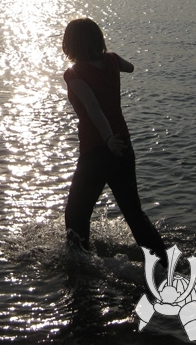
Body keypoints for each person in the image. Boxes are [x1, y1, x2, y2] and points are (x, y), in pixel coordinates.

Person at [61, 18, 167, 263]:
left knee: (76, 214)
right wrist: (113, 61)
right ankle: (163, 263)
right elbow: (131, 67)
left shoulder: (74, 74)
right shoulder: (112, 60)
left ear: (71, 44)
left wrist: (107, 138)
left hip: (97, 149)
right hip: (123, 145)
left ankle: (79, 265)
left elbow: (93, 108)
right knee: (133, 213)